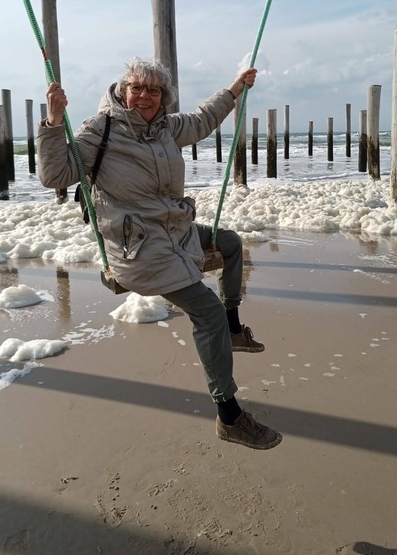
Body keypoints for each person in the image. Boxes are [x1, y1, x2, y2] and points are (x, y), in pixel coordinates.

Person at [37, 57, 282, 450]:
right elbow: (55, 175)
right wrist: (52, 123)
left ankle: (234, 328)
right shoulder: (100, 131)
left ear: (163, 97)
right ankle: (229, 416)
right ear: (123, 91)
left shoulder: (166, 127)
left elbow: (204, 118)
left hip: (175, 233)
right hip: (137, 248)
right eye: (137, 87)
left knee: (231, 243)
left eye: (153, 90)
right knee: (206, 312)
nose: (145, 96)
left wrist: (236, 88)